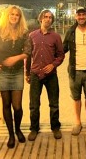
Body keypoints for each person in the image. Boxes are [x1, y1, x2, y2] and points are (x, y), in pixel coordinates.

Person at [0, 5, 31, 148]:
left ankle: (18, 130)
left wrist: (15, 58)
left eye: (17, 15)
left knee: (17, 106)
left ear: (20, 17)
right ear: (7, 16)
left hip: (17, 72)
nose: (14, 17)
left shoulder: (24, 33)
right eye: (12, 14)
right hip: (2, 72)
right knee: (6, 104)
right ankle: (11, 134)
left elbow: (28, 52)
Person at [26, 9, 65, 141]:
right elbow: (28, 56)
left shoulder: (56, 37)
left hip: (51, 75)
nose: (48, 19)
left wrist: (53, 65)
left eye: (50, 17)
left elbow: (61, 55)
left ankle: (55, 127)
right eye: (45, 17)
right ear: (40, 18)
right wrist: (27, 73)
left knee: (54, 103)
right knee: (34, 104)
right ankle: (34, 128)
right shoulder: (32, 36)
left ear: (52, 20)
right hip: (36, 74)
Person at [63, 7, 86, 136]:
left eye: (83, 15)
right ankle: (78, 122)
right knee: (76, 98)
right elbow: (63, 49)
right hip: (75, 71)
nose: (81, 17)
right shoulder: (71, 31)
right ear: (75, 17)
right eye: (79, 15)